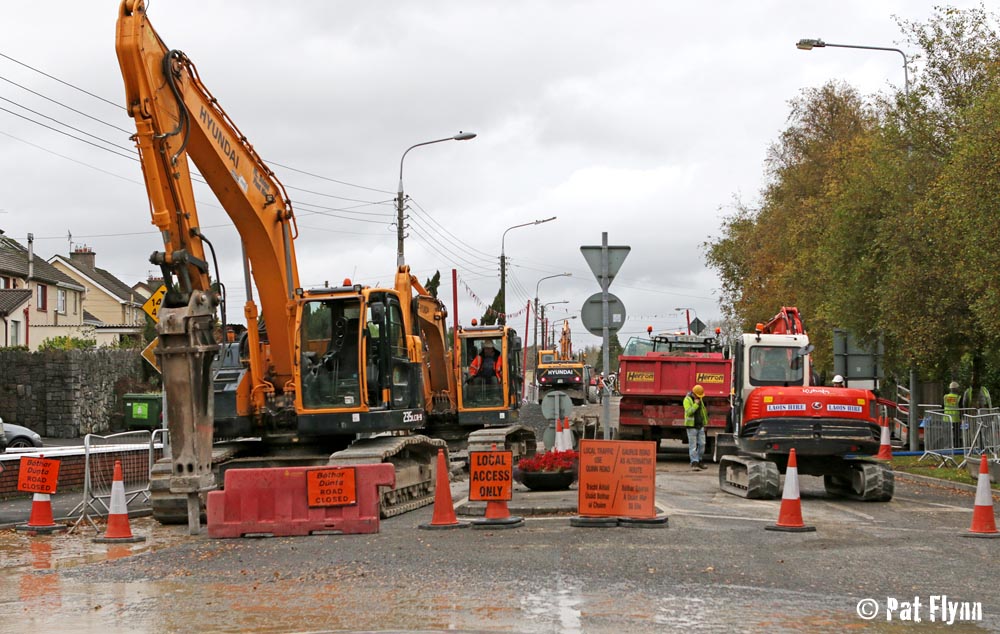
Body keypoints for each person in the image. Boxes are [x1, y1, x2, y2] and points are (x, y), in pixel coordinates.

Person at [683, 384, 709, 470]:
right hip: (691, 426)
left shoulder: (700, 399)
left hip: (700, 425)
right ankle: (694, 462)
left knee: (702, 444)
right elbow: (689, 412)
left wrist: (705, 422)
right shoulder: (687, 400)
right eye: (698, 395)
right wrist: (695, 404)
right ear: (694, 393)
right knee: (693, 446)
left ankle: (699, 460)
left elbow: (703, 412)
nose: (699, 397)